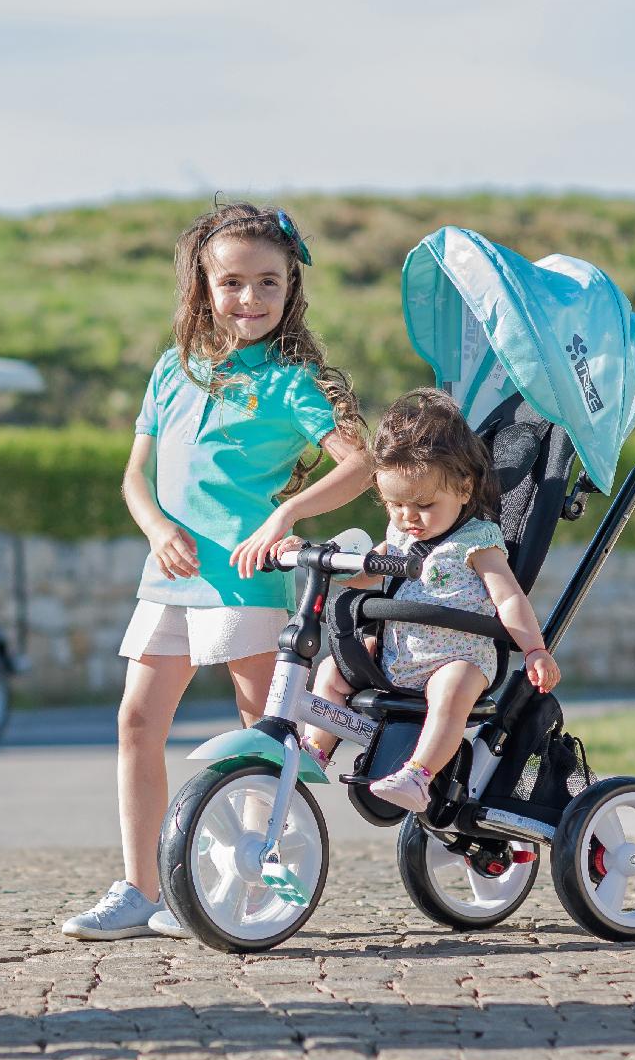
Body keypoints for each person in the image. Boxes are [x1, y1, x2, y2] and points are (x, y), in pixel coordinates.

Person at [61, 201, 373, 940]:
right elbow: (136, 475)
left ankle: (253, 884)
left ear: (290, 287)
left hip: (243, 578)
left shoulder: (293, 380)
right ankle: (141, 888)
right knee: (136, 720)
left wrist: (285, 516)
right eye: (233, 283)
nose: (251, 299)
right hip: (167, 574)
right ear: (203, 286)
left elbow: (360, 465)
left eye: (269, 283)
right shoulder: (172, 369)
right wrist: (156, 526)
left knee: (260, 734)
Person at [294, 388, 560, 812]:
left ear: (464, 490)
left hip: (459, 657)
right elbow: (367, 573)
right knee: (331, 668)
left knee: (451, 689)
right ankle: (314, 753)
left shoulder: (478, 542)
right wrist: (320, 557)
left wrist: (534, 649)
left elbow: (508, 598)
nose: (407, 517)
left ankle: (418, 774)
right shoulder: (400, 536)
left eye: (423, 505)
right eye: (395, 504)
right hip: (398, 653)